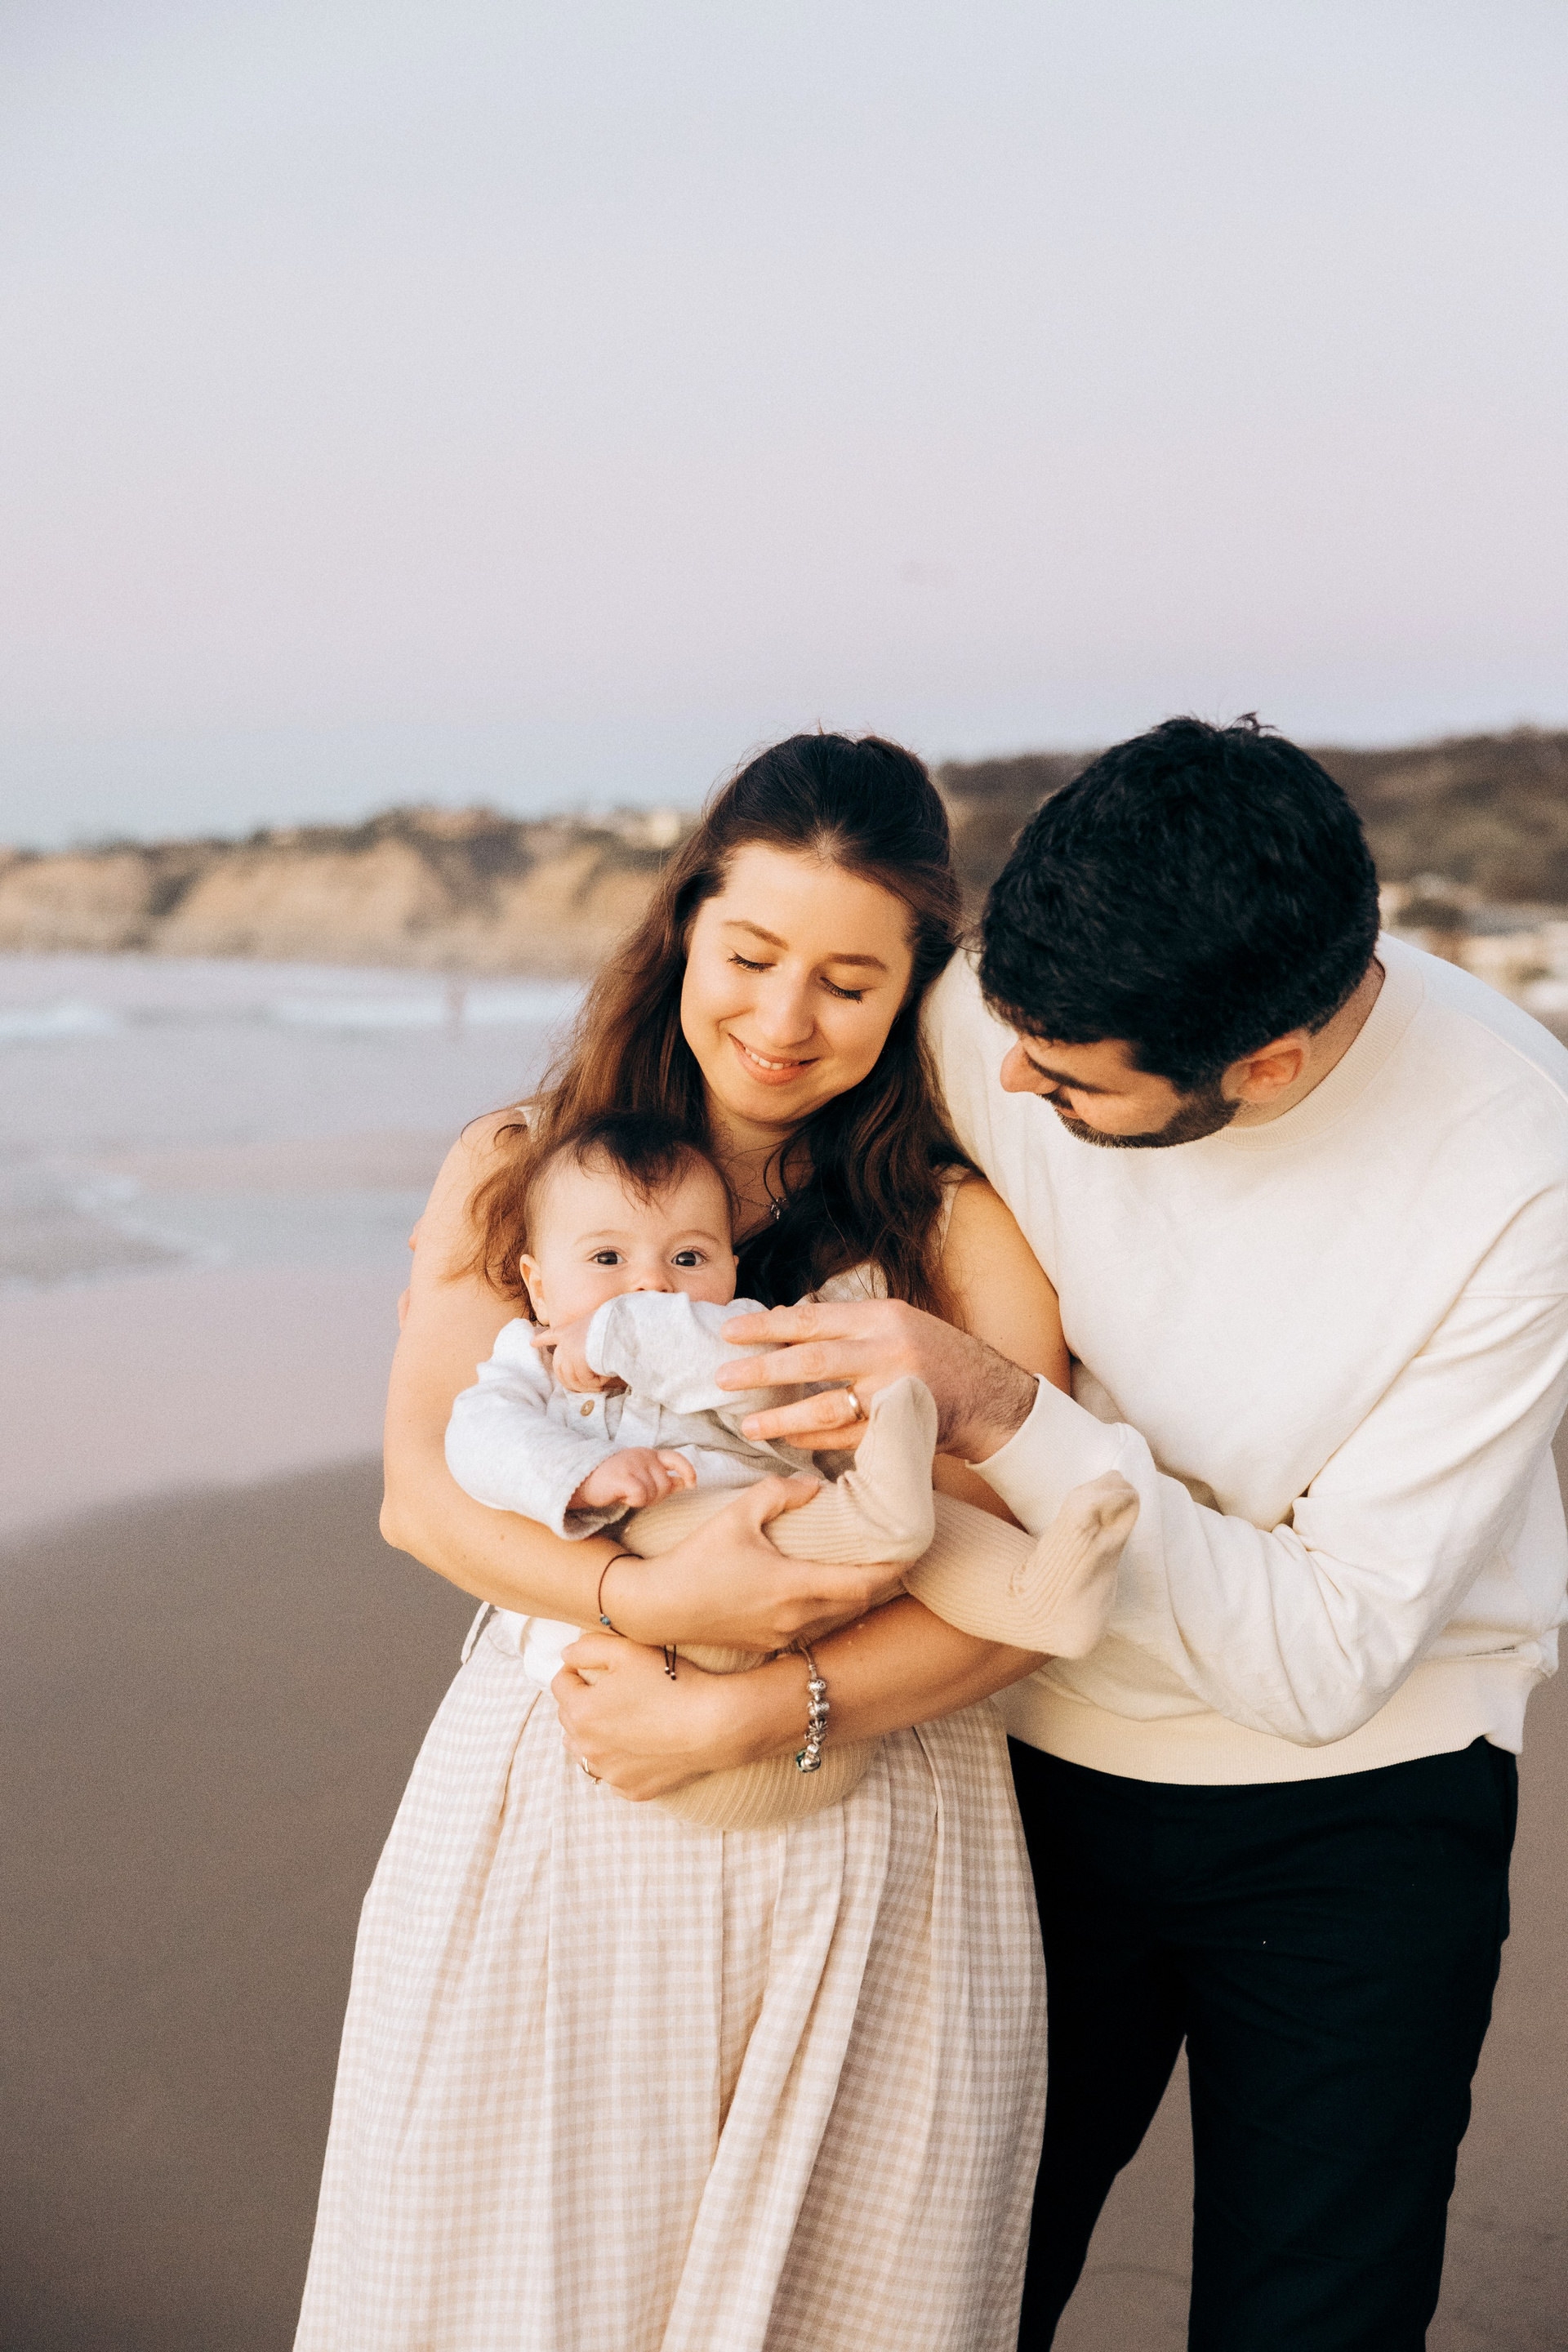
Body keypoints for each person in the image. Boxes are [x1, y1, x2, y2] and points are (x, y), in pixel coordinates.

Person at [645, 715, 1568, 2350]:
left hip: (1362, 1813)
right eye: (1008, 1032)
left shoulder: (1518, 1172)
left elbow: (1322, 1661)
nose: (1005, 1083)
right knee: (935, 2301)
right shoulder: (993, 1014)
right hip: (1006, 1755)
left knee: (1318, 2321)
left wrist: (1003, 1409)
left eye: (1069, 1084)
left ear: (1264, 1067)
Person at [296, 733, 1093, 2352]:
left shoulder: (958, 1227)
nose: (785, 1019)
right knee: (511, 2292)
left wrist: (754, 1709)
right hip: (565, 1803)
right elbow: (424, 1492)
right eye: (751, 956)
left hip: (880, 1840)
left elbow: (1023, 1587)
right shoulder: (522, 1171)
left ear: (915, 990)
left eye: (849, 983)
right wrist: (648, 1588)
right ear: (683, 934)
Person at [443, 1104, 1134, 1830]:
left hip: (799, 1637)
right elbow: (478, 1440)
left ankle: (1037, 1598)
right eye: (607, 1260)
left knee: (930, 1526)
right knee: (739, 1515)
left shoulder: (734, 1331)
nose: (652, 1286)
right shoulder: (528, 1360)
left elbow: (746, 1373)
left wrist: (621, 1331)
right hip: (646, 1633)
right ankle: (878, 1517)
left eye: (688, 1260)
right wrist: (583, 1474)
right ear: (539, 1283)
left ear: (730, 1269)